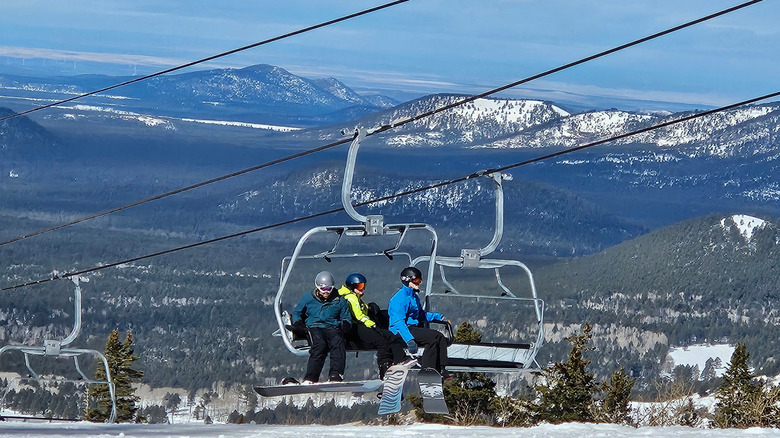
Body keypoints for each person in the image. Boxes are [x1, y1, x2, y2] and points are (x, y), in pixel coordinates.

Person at [338, 273, 407, 380]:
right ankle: (388, 367)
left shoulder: (353, 297)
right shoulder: (350, 298)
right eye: (360, 287)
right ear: (352, 287)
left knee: (388, 336)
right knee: (382, 341)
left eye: (363, 286)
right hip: (355, 328)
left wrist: (369, 307)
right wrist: (372, 325)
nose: (363, 289)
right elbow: (359, 316)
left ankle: (396, 361)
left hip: (357, 326)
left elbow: (361, 309)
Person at [387, 266, 451, 379]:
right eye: (416, 281)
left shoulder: (414, 297)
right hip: (400, 331)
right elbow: (399, 322)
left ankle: (441, 368)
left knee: (439, 337)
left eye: (419, 281)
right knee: (433, 338)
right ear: (407, 280)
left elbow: (420, 315)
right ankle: (428, 370)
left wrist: (437, 317)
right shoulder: (399, 299)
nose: (418, 283)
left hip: (412, 328)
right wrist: (409, 340)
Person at [291, 271, 352, 383]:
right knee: (320, 345)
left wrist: (346, 324)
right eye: (323, 289)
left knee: (338, 342)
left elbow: (346, 316)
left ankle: (336, 374)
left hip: (332, 326)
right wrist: (298, 323)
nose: (326, 292)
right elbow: (297, 312)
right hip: (315, 326)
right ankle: (311, 377)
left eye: (329, 289)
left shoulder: (339, 300)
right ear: (317, 287)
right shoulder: (308, 298)